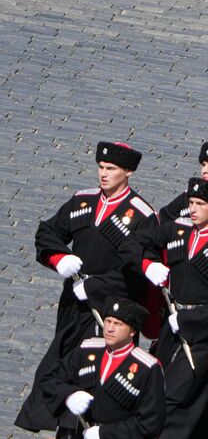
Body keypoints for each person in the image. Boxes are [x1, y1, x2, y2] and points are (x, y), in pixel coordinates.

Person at [18, 141, 156, 433]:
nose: (103, 174)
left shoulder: (142, 216)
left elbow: (137, 272)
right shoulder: (83, 201)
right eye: (101, 167)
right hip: (74, 306)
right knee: (61, 368)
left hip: (110, 312)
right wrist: (60, 258)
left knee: (99, 379)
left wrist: (96, 287)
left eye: (111, 169)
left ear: (128, 172)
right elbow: (48, 232)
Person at [137, 177, 208, 439]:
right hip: (171, 327)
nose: (193, 209)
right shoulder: (178, 229)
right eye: (191, 203)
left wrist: (192, 320)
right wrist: (149, 264)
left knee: (174, 399)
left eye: (200, 204)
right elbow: (137, 241)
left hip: (202, 336)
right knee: (171, 393)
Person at [48, 296, 164, 439]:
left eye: (117, 324)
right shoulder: (88, 349)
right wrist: (68, 395)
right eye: (107, 321)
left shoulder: (147, 367)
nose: (109, 328)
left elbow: (150, 423)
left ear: (132, 331)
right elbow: (50, 379)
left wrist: (104, 434)